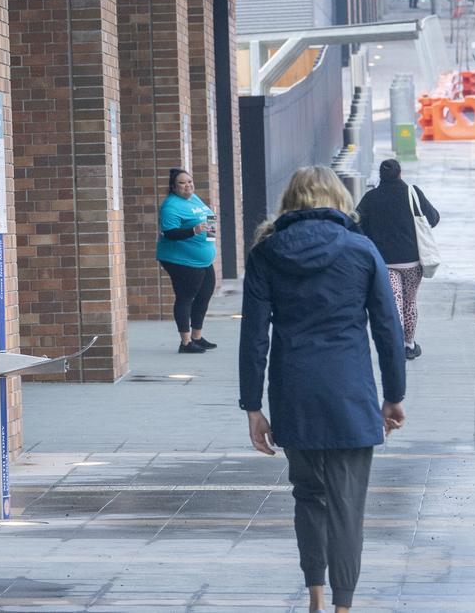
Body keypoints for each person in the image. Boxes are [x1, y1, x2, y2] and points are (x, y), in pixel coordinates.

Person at [239, 165, 406, 613]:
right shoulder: (362, 250)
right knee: (347, 505)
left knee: (308, 495)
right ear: (339, 200)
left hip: (294, 391)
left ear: (290, 201)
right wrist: (394, 394)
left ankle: (314, 593)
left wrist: (252, 406)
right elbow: (388, 330)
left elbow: (255, 335)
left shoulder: (266, 253)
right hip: (350, 391)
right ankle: (342, 606)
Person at [357, 159, 439, 361]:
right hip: (412, 262)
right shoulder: (412, 193)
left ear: (380, 176)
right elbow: (434, 218)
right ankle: (409, 345)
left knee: (393, 304)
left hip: (384, 264)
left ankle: (394, 346)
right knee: (409, 302)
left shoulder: (370, 198)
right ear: (400, 173)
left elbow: (356, 225)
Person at [157, 168, 218, 354]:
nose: (188, 185)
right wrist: (194, 231)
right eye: (182, 183)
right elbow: (170, 233)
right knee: (186, 297)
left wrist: (210, 236)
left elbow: (208, 217)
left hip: (202, 259)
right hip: (181, 260)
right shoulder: (171, 206)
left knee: (205, 294)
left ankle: (197, 337)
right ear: (174, 187)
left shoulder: (193, 198)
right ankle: (185, 343)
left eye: (189, 181)